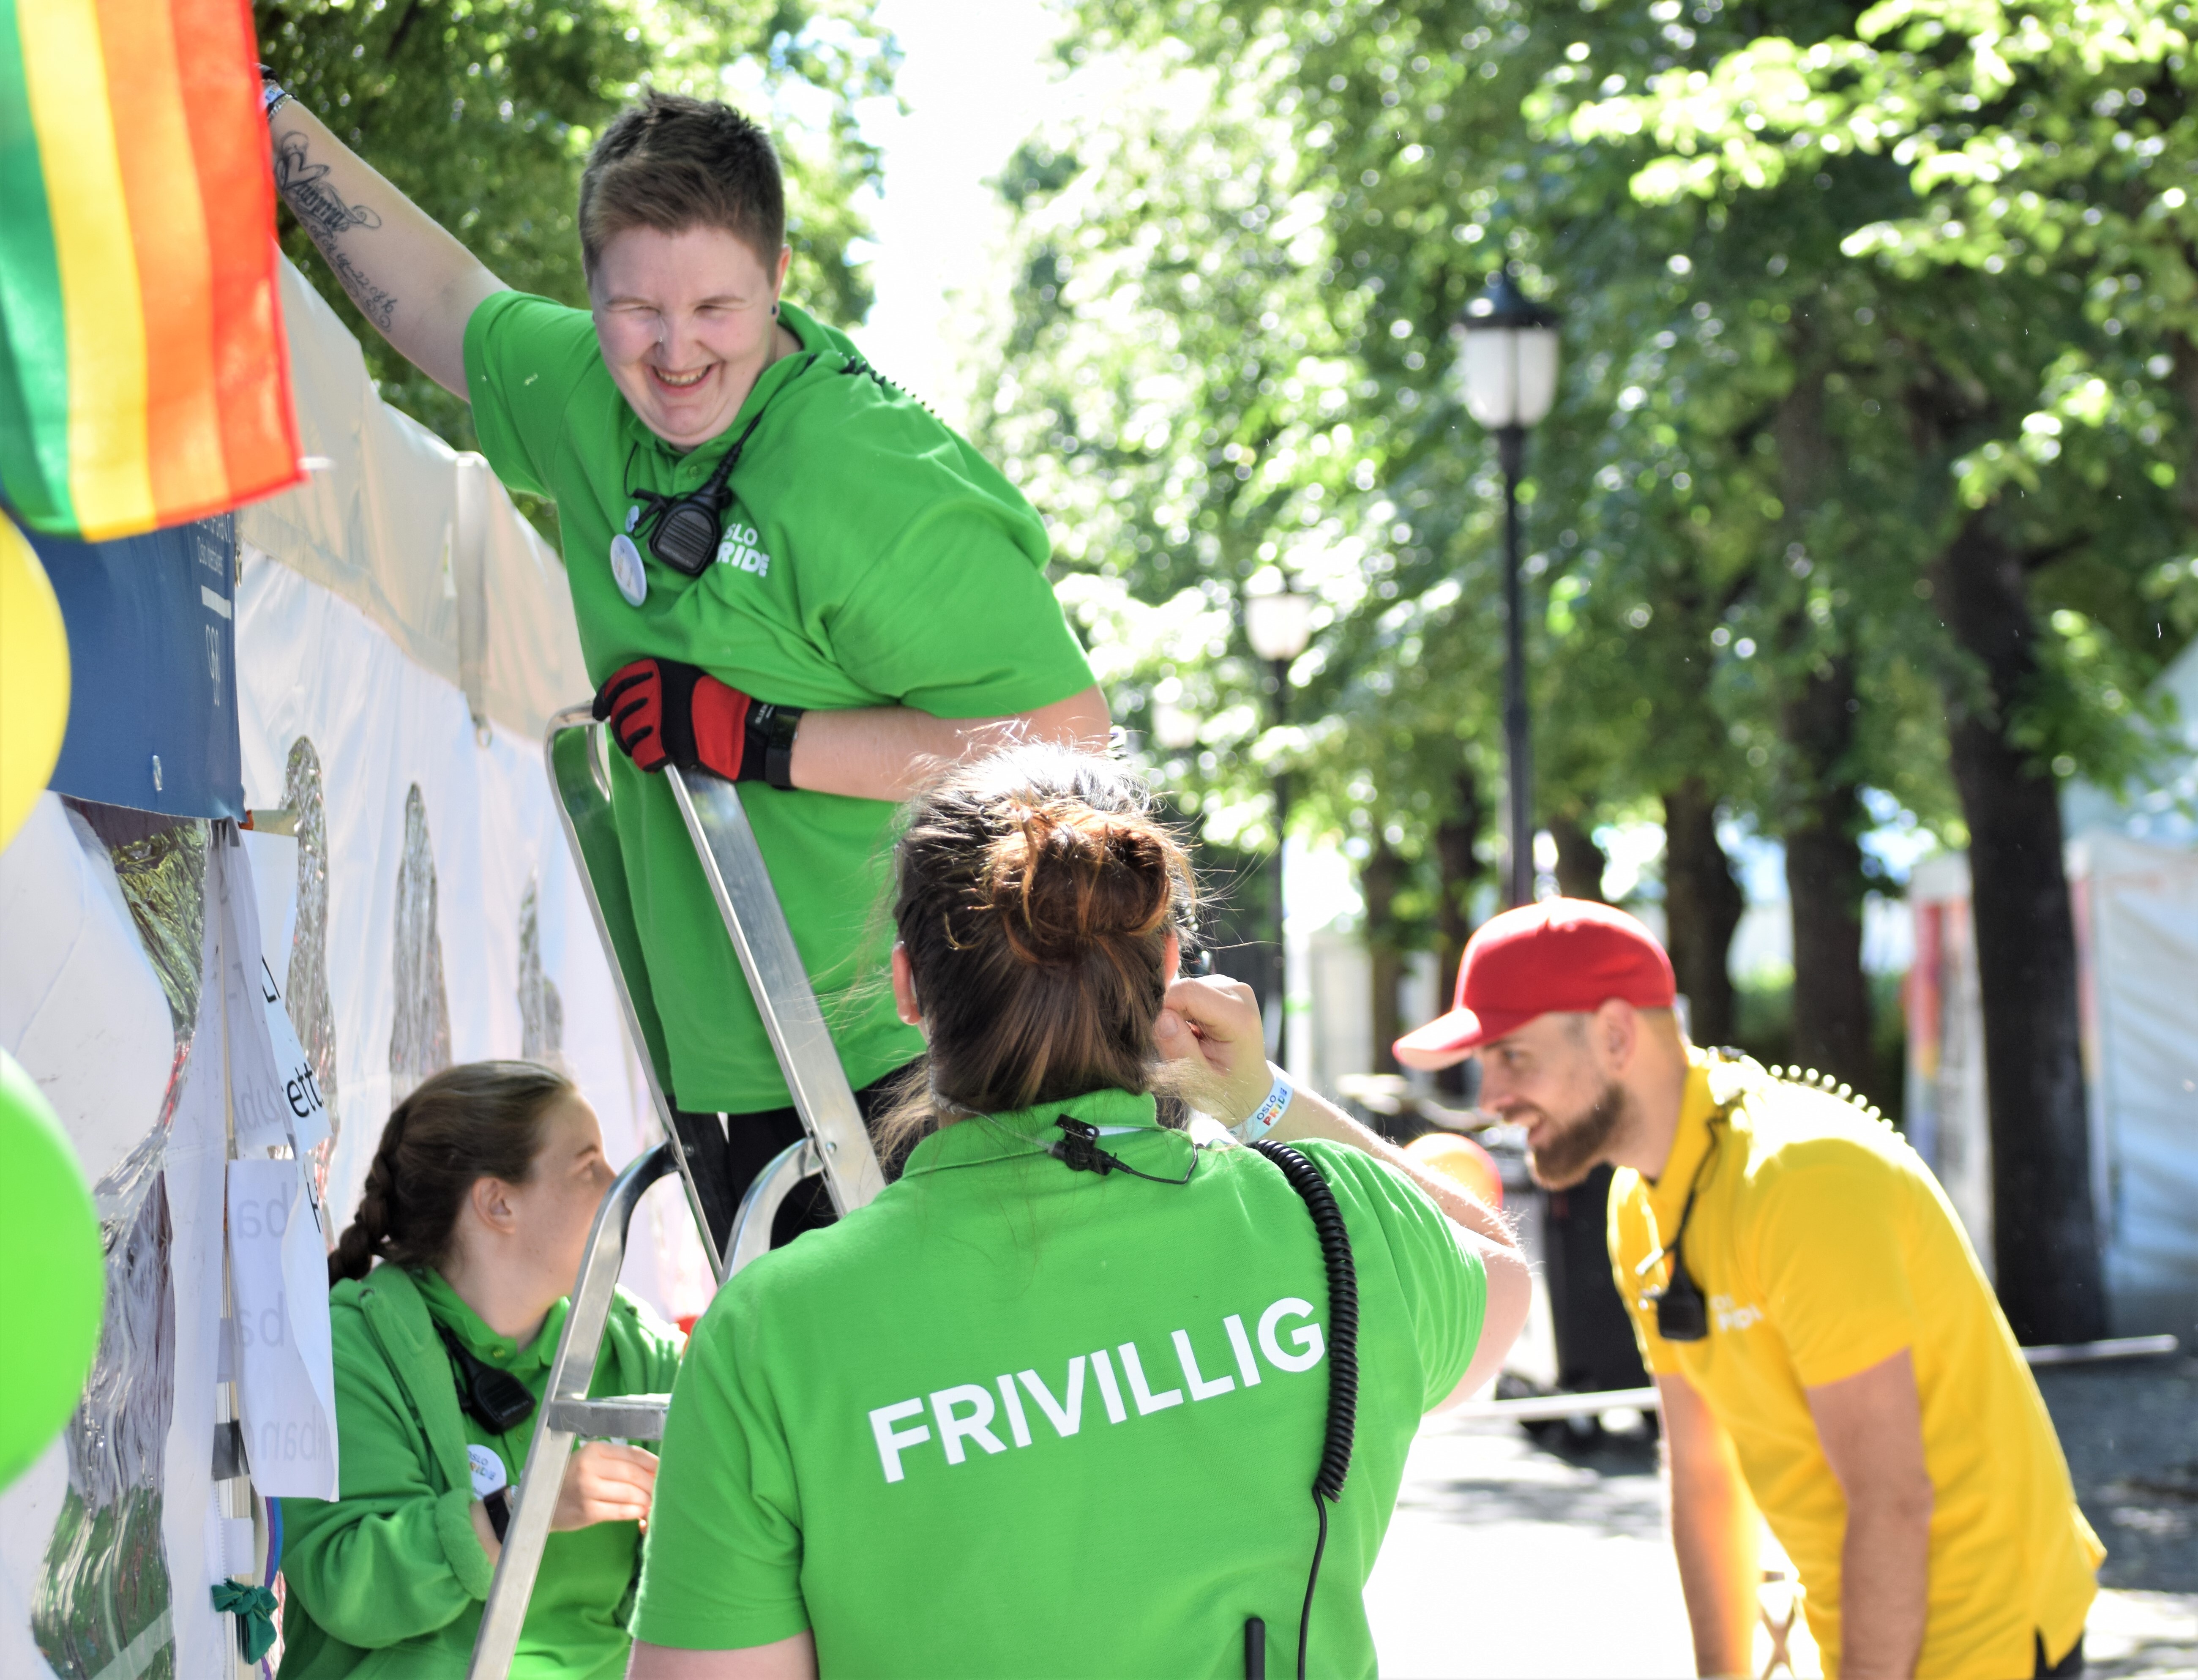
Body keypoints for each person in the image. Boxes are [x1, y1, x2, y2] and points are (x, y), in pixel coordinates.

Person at [257, 78, 1110, 1227]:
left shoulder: (874, 483)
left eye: (717, 308)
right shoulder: (587, 402)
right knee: (792, 1400)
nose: (674, 355)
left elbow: (1069, 743)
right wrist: (264, 116)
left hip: (928, 1055)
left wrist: (752, 737)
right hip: (728, 1062)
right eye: (634, 310)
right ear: (593, 294)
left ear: (779, 280)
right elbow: (442, 300)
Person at [623, 745, 1530, 1678]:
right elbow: (1499, 1277)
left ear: (907, 989)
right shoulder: (1333, 1216)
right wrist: (1263, 1102)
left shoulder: (771, 1329)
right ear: (1171, 967)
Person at [1395, 899, 2104, 1680]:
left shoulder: (1802, 1178)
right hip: (1868, 1625)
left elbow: (1892, 1499)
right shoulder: (1638, 1201)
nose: (1488, 1096)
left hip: (1983, 1635)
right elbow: (1702, 1479)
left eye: (1512, 1057)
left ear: (1614, 1034)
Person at [280, 1062, 683, 1678]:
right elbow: (346, 1583)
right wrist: (531, 1506)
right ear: (498, 1204)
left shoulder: (635, 1349)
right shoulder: (354, 1348)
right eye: (588, 1165)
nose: (617, 1184)